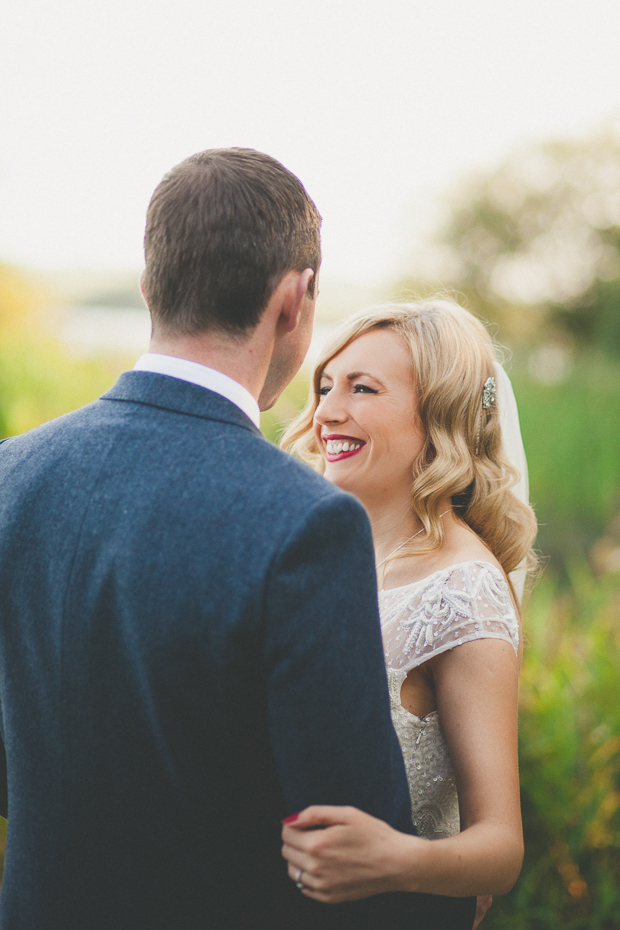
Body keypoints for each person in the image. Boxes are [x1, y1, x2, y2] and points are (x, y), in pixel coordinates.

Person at [0, 153, 476, 929]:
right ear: (296, 299)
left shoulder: (11, 473)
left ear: (152, 286)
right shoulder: (306, 523)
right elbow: (352, 845)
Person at [280, 300, 538, 924]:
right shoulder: (311, 548)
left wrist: (392, 859)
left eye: (362, 388)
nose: (326, 414)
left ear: (438, 416)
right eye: (323, 387)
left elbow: (500, 849)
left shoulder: (460, 592)